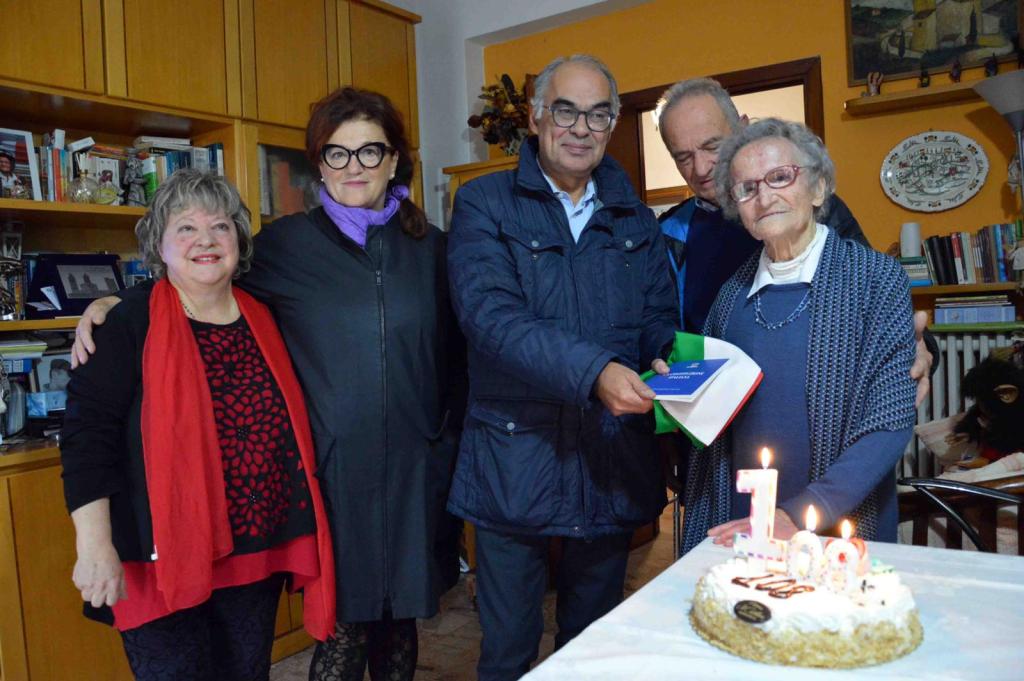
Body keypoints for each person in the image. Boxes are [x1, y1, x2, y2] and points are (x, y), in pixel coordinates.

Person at [72, 87, 465, 681]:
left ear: (394, 161)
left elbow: (461, 355)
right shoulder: (286, 246)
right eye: (337, 153)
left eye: (369, 151)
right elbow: (197, 275)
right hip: (332, 478)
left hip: (411, 474)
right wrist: (112, 304)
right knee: (343, 625)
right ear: (319, 165)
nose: (353, 166)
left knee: (400, 618)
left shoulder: (433, 249)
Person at [446, 54, 677, 681]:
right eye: (566, 111)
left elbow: (659, 315)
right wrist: (598, 371)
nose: (580, 128)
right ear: (536, 117)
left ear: (612, 124)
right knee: (508, 652)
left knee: (591, 651)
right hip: (514, 463)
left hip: (609, 459)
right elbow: (491, 318)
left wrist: (669, 360)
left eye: (597, 114)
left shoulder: (635, 217)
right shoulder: (484, 203)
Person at [60, 169, 336, 680]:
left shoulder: (269, 315)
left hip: (256, 550)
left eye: (220, 226)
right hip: (158, 557)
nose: (205, 240)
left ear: (239, 240)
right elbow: (85, 440)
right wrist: (93, 545)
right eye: (185, 227)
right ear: (159, 245)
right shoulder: (126, 323)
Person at [680, 117, 916, 555]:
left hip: (839, 521)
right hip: (743, 523)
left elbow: (890, 421)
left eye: (780, 177)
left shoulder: (876, 280)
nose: (764, 197)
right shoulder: (729, 298)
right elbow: (709, 418)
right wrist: (673, 389)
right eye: (747, 188)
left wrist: (801, 512)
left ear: (819, 188)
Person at [655, 76, 935, 404]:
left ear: (742, 128)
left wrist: (920, 348)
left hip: (822, 400)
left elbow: (877, 300)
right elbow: (662, 332)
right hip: (721, 412)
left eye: (712, 146)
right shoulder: (670, 232)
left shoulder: (807, 205)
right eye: (683, 157)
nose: (701, 168)